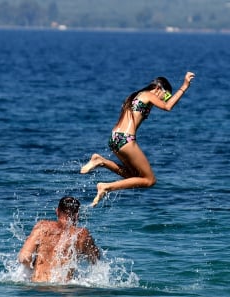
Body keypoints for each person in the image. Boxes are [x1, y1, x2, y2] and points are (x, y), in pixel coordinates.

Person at [80, 72, 196, 207]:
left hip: (114, 138)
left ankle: (101, 161)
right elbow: (168, 106)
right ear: (159, 88)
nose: (165, 99)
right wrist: (184, 86)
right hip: (126, 139)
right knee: (149, 180)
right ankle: (105, 187)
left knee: (133, 177)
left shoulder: (135, 97)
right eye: (167, 96)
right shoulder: (149, 94)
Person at [18, 196, 100, 283]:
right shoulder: (81, 234)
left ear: (57, 211)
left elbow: (24, 258)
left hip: (38, 289)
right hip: (63, 290)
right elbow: (96, 260)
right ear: (77, 215)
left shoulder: (41, 227)